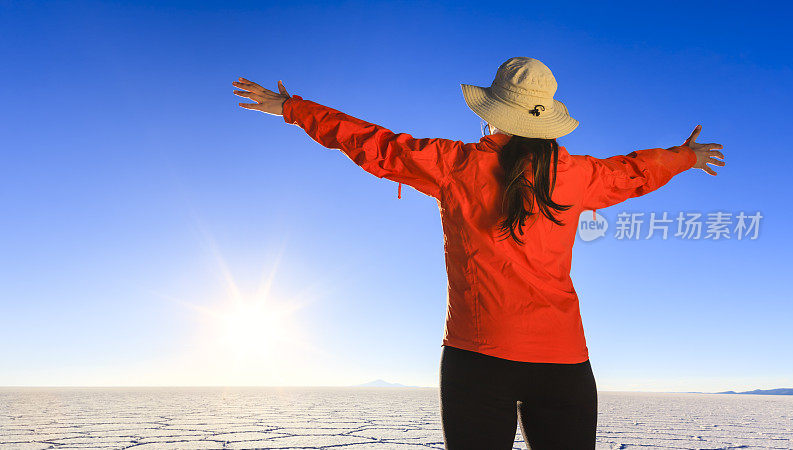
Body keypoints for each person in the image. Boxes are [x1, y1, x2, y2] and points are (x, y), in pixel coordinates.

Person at [232, 56, 725, 449]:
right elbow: (634, 170)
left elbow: (373, 143)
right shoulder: (576, 175)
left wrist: (293, 108)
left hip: (476, 359)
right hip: (564, 362)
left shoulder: (454, 164)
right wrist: (687, 157)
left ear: (492, 113)